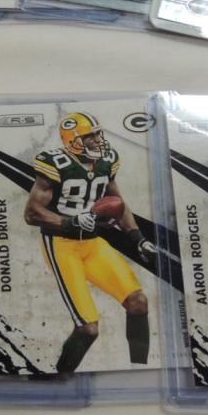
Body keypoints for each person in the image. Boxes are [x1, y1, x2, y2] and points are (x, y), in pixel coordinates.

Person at [23, 113, 155, 374]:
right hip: (61, 245)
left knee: (138, 302)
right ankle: (60, 379)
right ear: (71, 140)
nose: (96, 140)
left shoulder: (107, 161)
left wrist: (138, 239)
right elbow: (32, 214)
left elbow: (118, 204)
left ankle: (140, 370)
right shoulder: (56, 164)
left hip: (93, 243)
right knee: (88, 329)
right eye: (88, 136)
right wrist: (70, 222)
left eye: (97, 134)